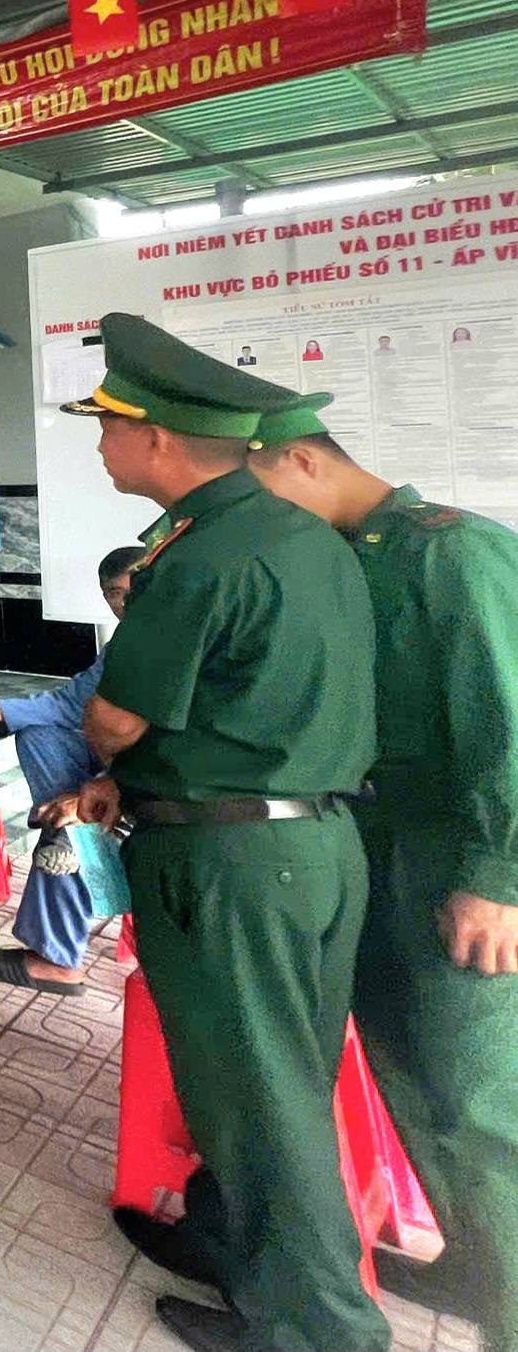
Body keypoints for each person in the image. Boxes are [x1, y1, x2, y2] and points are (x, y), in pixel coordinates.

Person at [57, 312, 385, 1352]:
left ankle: (320, 1328)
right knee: (269, 1076)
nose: (98, 445)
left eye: (105, 426)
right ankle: (232, 1238)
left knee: (262, 1094)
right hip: (311, 844)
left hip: (233, 861)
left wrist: (111, 750)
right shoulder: (305, 535)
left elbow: (114, 717)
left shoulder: (197, 555)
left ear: (154, 437)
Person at [248, 389, 518, 1348]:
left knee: (477, 1100)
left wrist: (499, 879)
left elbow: (508, 722)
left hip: (457, 860)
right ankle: (474, 1265)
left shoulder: (455, 551)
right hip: (378, 850)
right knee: (406, 1072)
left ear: (302, 460)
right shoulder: (348, 558)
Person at [0, 545, 140, 993]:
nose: (124, 603)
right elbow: (70, 703)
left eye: (133, 590)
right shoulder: (126, 644)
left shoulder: (182, 643)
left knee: (70, 829)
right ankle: (71, 833)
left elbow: (169, 742)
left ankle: (57, 958)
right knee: (41, 737)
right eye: (113, 594)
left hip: (162, 778)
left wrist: (105, 787)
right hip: (123, 769)